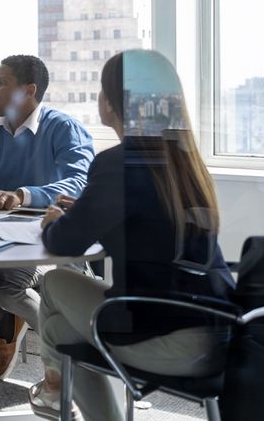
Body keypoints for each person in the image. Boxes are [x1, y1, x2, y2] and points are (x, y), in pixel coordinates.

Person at [28, 50, 234, 421]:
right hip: (216, 328)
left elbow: (62, 244)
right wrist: (88, 207)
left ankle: (53, 389)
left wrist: (53, 220)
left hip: (167, 337)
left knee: (55, 282)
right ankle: (64, 395)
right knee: (60, 329)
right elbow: (143, 220)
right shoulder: (181, 161)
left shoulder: (117, 164)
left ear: (110, 102)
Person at [0, 55, 94, 380]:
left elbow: (79, 183)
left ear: (28, 90)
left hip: (47, 237)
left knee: (4, 287)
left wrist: (24, 195)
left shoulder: (63, 128)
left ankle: (76, 361)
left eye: (1, 82)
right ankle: (5, 324)